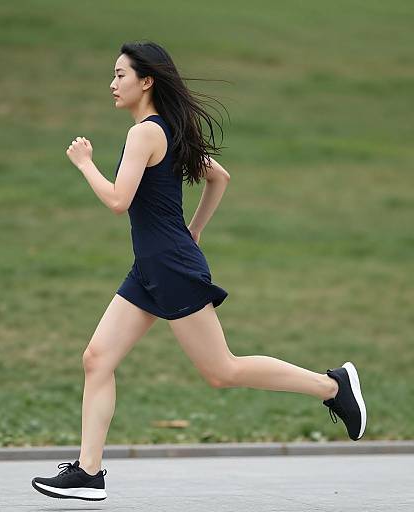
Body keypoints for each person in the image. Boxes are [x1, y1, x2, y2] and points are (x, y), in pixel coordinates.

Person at [31, 40, 367, 501]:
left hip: (168, 266)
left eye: (120, 75)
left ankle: (332, 386)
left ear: (146, 81)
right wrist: (193, 231)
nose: (112, 84)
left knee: (221, 370)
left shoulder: (145, 133)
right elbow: (219, 177)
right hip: (152, 266)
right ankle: (88, 473)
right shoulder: (169, 129)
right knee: (97, 359)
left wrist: (85, 164)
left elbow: (117, 201)